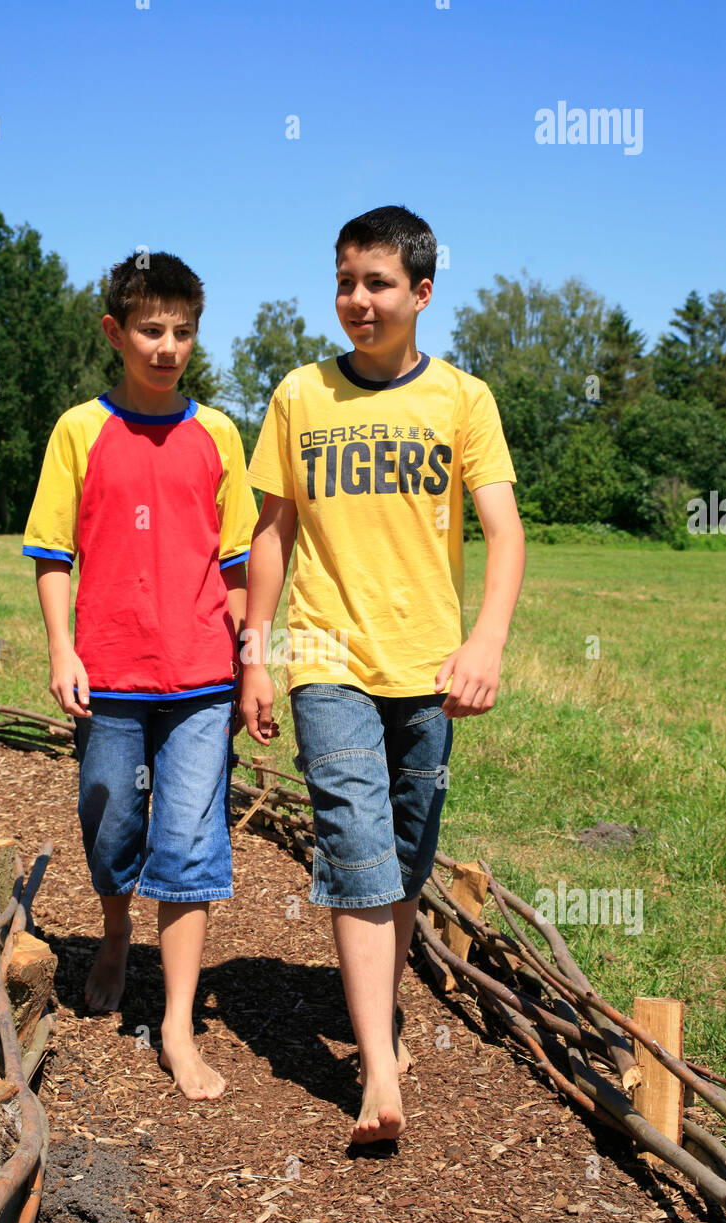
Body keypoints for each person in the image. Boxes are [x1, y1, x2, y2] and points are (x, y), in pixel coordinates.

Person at [241, 206, 525, 1145]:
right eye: (345, 282)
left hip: (429, 662)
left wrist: (484, 641)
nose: (357, 302)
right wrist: (257, 647)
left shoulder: (462, 400)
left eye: (378, 284)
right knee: (356, 847)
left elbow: (505, 532)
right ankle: (375, 1075)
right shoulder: (299, 396)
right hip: (326, 656)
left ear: (422, 293)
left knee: (403, 853)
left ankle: (384, 1019)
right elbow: (273, 530)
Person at [23, 250, 257, 1100]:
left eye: (183, 331)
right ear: (115, 333)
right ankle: (117, 929)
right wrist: (62, 649)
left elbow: (235, 564)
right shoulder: (79, 431)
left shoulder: (220, 434)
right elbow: (53, 555)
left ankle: (177, 1026)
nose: (167, 346)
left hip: (201, 675)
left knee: (190, 843)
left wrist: (252, 664)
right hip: (110, 676)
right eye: (150, 330)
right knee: (111, 823)